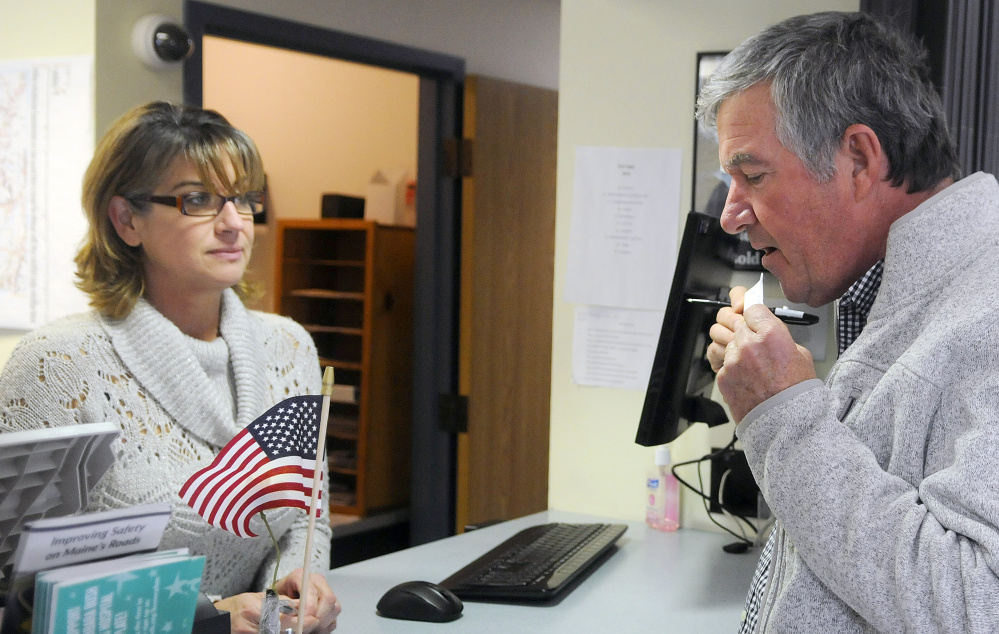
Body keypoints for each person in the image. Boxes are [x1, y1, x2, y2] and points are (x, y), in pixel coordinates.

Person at [696, 11, 999, 633]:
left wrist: (782, 417)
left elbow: (976, 608)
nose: (730, 215)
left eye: (752, 175)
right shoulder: (898, 294)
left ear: (859, 158)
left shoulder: (987, 308)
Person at [0, 102, 341, 633]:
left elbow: (307, 513)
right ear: (126, 220)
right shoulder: (58, 365)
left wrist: (294, 582)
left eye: (244, 200)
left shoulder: (289, 346)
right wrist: (203, 617)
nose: (234, 224)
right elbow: (21, 598)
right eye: (198, 200)